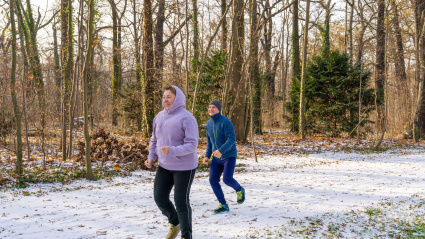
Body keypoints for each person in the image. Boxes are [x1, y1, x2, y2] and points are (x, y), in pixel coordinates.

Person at [145, 85, 199, 239]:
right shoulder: (159, 117)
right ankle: (175, 223)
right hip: (164, 165)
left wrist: (172, 150)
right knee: (159, 197)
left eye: (169, 96)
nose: (165, 100)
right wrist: (151, 157)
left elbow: (192, 144)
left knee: (181, 202)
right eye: (164, 97)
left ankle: (186, 235)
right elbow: (154, 140)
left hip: (185, 167)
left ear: (177, 98)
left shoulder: (187, 117)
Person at [202, 100, 245, 214]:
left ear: (219, 109)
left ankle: (239, 190)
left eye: (213, 107)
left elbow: (232, 139)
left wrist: (221, 150)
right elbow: (209, 142)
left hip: (229, 156)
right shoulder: (208, 124)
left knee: (227, 179)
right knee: (212, 180)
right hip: (216, 158)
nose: (211, 109)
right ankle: (223, 205)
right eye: (209, 107)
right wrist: (207, 155)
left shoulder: (226, 122)